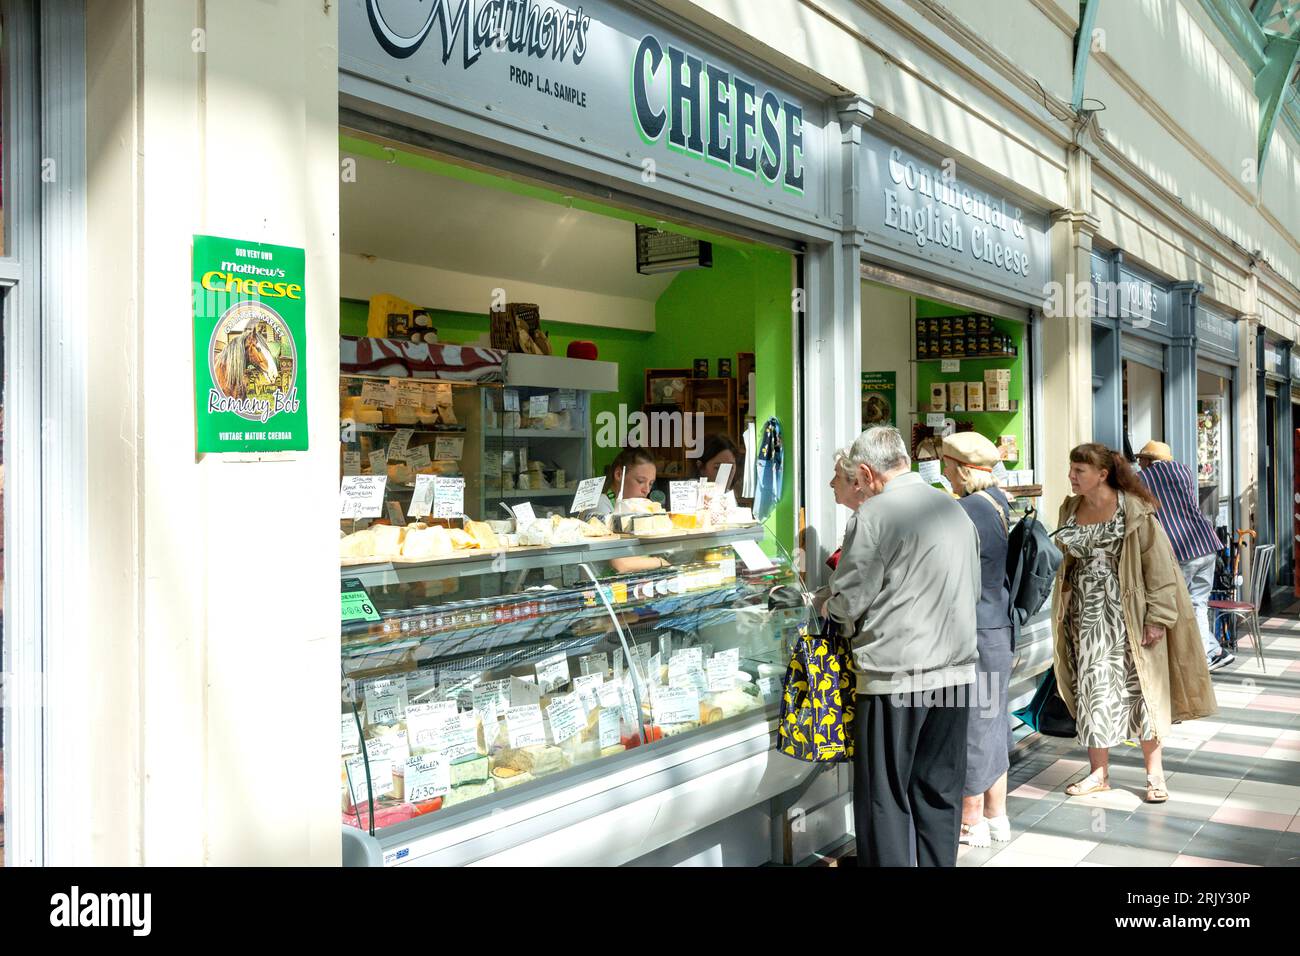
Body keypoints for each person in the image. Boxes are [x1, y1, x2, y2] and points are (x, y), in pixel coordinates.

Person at [814, 426, 980, 867]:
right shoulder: (953, 507)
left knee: (884, 796)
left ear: (866, 473)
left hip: (896, 676)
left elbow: (849, 599)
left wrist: (827, 606)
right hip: (958, 673)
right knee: (939, 790)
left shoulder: (877, 515)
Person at [1052, 444, 1217, 804]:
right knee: (1092, 692)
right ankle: (1099, 773)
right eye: (1072, 469)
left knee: (1143, 693)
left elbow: (1160, 569)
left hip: (1130, 615)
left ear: (1102, 474)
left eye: (1079, 470)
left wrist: (1158, 617)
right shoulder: (1070, 508)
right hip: (1085, 618)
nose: (1072, 476)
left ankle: (1154, 775)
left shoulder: (1135, 510)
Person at [941, 433, 1014, 849]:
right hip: (997, 625)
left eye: (948, 466)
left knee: (972, 723)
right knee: (994, 721)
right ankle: (996, 813)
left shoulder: (966, 511)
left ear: (962, 469)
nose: (945, 473)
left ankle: (971, 820)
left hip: (976, 630)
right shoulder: (998, 501)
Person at [1135, 440, 1233, 671]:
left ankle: (1204, 656)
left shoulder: (1144, 479)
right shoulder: (1184, 470)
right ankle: (1212, 651)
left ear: (1148, 460)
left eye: (1141, 459)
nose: (1139, 463)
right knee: (1197, 603)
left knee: (1177, 605)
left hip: (1181, 549)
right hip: (1206, 544)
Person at [595, 447, 668, 573]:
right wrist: (660, 562)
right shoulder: (600, 504)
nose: (647, 490)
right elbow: (621, 563)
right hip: (603, 588)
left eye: (650, 483)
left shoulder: (637, 508)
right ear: (618, 475)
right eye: (640, 481)